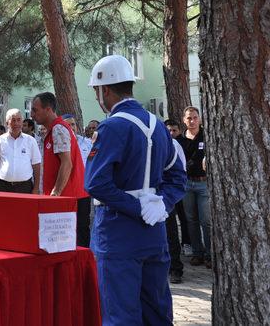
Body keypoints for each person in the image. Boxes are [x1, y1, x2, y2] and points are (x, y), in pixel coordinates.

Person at [84, 55, 186, 325]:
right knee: (157, 312)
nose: (97, 98)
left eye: (97, 91)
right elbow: (177, 176)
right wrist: (161, 204)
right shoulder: (159, 126)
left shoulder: (112, 126)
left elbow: (95, 183)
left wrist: (136, 206)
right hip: (154, 231)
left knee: (120, 315)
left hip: (118, 234)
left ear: (105, 90)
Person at [31, 92, 90, 247]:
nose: (31, 115)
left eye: (35, 110)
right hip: (67, 197)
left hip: (69, 198)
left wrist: (55, 193)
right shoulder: (54, 129)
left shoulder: (58, 129)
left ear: (48, 109)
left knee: (71, 245)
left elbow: (67, 163)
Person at [178, 106, 211, 269]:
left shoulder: (207, 135)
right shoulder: (179, 140)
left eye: (195, 117)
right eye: (189, 118)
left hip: (204, 183)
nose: (192, 121)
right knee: (191, 220)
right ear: (184, 120)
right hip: (186, 184)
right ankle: (197, 253)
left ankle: (210, 255)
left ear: (200, 119)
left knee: (206, 220)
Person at [0, 109, 41, 194]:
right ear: (7, 123)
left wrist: (35, 189)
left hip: (25, 187)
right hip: (3, 186)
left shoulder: (31, 141)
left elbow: (36, 165)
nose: (16, 123)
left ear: (22, 122)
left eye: (18, 120)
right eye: (13, 120)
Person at [164, 119, 192, 256]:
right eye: (169, 130)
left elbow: (182, 167)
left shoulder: (177, 144)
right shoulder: (160, 143)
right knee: (169, 225)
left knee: (184, 217)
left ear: (179, 131)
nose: (171, 133)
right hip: (165, 191)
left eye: (174, 130)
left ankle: (186, 243)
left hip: (177, 188)